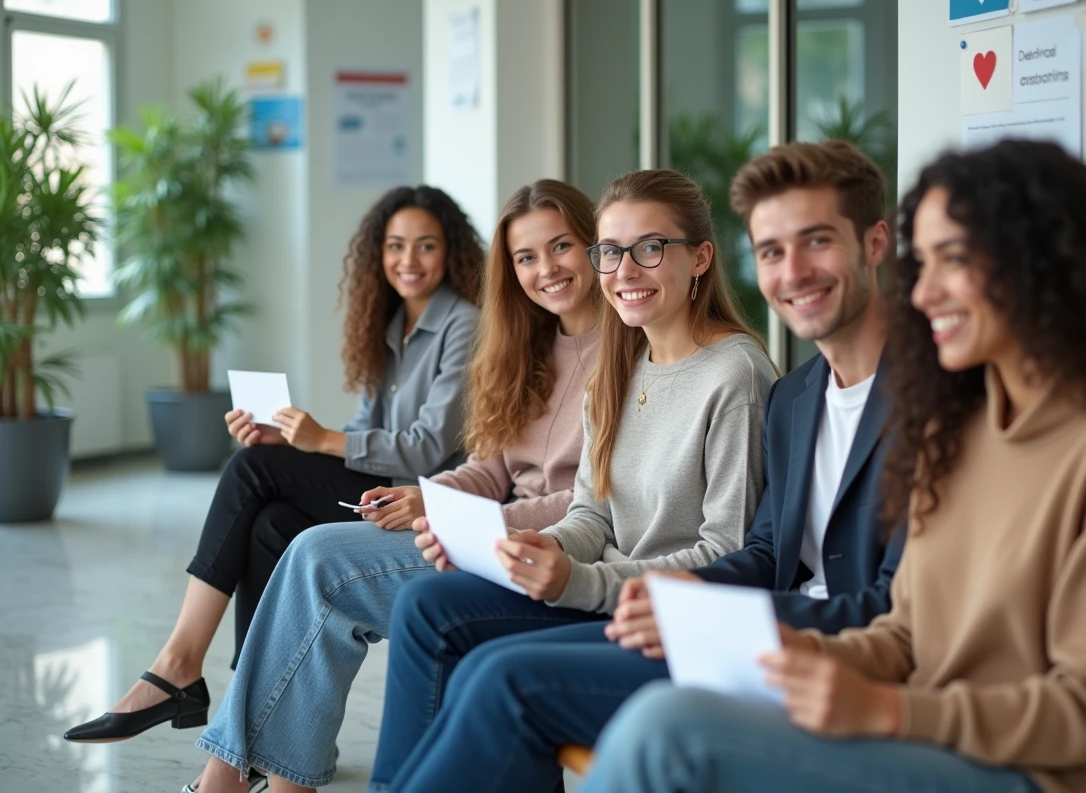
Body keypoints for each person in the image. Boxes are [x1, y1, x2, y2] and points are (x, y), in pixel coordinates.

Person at [578, 140, 1086, 793]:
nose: (924, 292)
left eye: (953, 261)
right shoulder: (958, 426)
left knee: (671, 732)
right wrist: (809, 654)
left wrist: (890, 710)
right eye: (922, 263)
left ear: (1040, 262)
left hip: (1041, 775)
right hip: (926, 733)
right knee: (668, 711)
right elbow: (907, 630)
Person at [375, 140, 907, 793]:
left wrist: (599, 584)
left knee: (500, 676)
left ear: (701, 258)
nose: (625, 269)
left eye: (650, 248)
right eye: (611, 251)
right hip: (658, 599)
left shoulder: (749, 377)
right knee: (432, 607)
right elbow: (601, 512)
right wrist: (536, 547)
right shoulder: (795, 397)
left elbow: (748, 556)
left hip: (740, 628)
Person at [185, 180, 603, 793]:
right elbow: (490, 467)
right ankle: (259, 775)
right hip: (479, 531)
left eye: (561, 246)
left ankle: (221, 760)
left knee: (315, 551)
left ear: (597, 247)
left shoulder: (620, 350)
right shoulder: (528, 342)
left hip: (542, 549)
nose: (545, 270)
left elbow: (592, 502)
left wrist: (448, 507)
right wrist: (429, 498)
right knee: (289, 532)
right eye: (526, 257)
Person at [64, 186, 483, 745]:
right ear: (377, 254)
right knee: (273, 524)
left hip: (421, 496)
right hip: (381, 479)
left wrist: (317, 439)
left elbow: (428, 446)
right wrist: (294, 441)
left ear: (451, 252)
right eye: (395, 246)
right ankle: (259, 715)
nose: (408, 261)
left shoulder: (465, 323)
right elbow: (365, 429)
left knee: (252, 466)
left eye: (425, 246)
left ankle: (178, 665)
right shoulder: (390, 326)